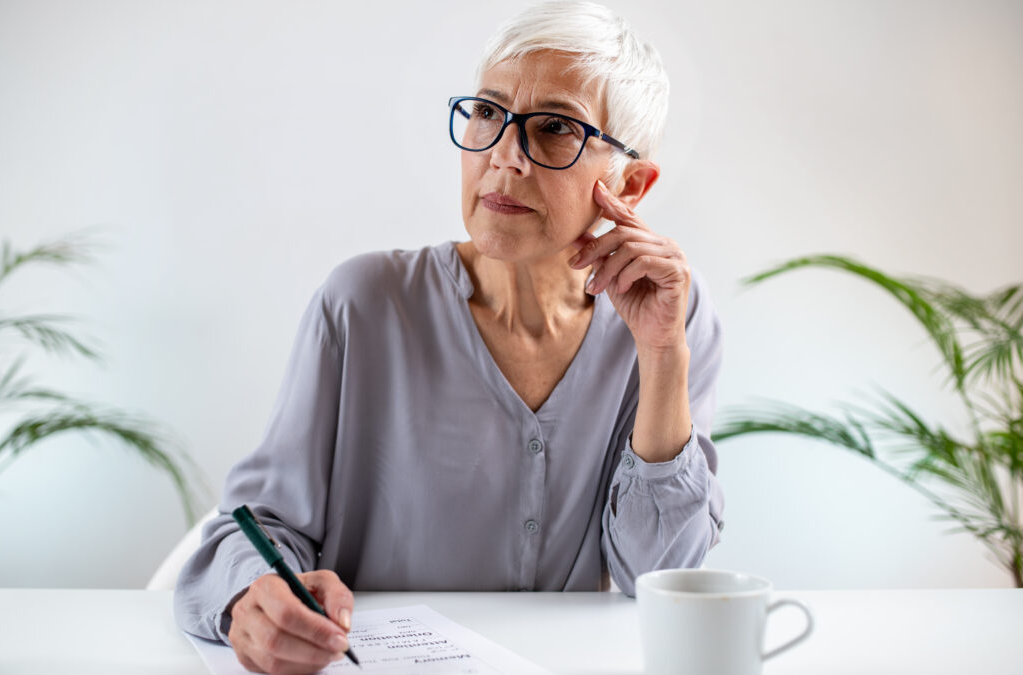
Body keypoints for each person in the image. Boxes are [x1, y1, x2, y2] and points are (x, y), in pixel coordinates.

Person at [174, 2, 725, 672]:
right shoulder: (365, 303)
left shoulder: (672, 321)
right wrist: (251, 600)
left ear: (629, 184)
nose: (504, 156)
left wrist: (662, 355)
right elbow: (251, 530)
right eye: (489, 112)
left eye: (554, 128)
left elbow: (657, 578)